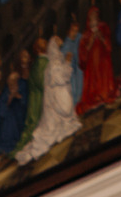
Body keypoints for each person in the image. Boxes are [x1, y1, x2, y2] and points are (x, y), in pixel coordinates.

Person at [15, 35, 83, 165]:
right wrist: (68, 63)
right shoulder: (45, 63)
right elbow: (56, 79)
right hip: (54, 98)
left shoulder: (43, 63)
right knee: (52, 127)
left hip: (55, 96)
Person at [76, 5, 121, 115]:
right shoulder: (86, 35)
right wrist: (91, 39)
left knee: (103, 76)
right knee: (94, 79)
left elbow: (108, 45)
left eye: (95, 15)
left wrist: (100, 36)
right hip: (92, 63)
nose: (94, 18)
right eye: (92, 16)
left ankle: (105, 94)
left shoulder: (103, 27)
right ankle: (96, 96)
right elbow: (83, 53)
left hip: (103, 60)